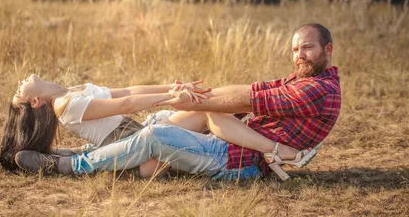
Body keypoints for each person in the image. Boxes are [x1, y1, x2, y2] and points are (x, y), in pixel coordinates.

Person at [62, 22, 341, 181]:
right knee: (170, 120)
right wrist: (200, 97)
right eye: (295, 49)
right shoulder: (300, 80)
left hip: (240, 160)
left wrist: (185, 102)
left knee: (156, 135)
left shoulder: (318, 91)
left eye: (307, 48)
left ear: (327, 50)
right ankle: (93, 154)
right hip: (237, 145)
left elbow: (248, 100)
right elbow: (252, 88)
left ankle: (76, 164)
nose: (299, 55)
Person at [0, 75, 311, 179]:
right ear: (34, 103)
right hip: (133, 144)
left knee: (206, 105)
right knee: (168, 141)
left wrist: (171, 90)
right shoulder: (64, 105)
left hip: (138, 130)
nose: (19, 82)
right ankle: (70, 164)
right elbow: (125, 106)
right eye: (19, 91)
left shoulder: (73, 92)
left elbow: (128, 93)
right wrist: (171, 101)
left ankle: (271, 152)